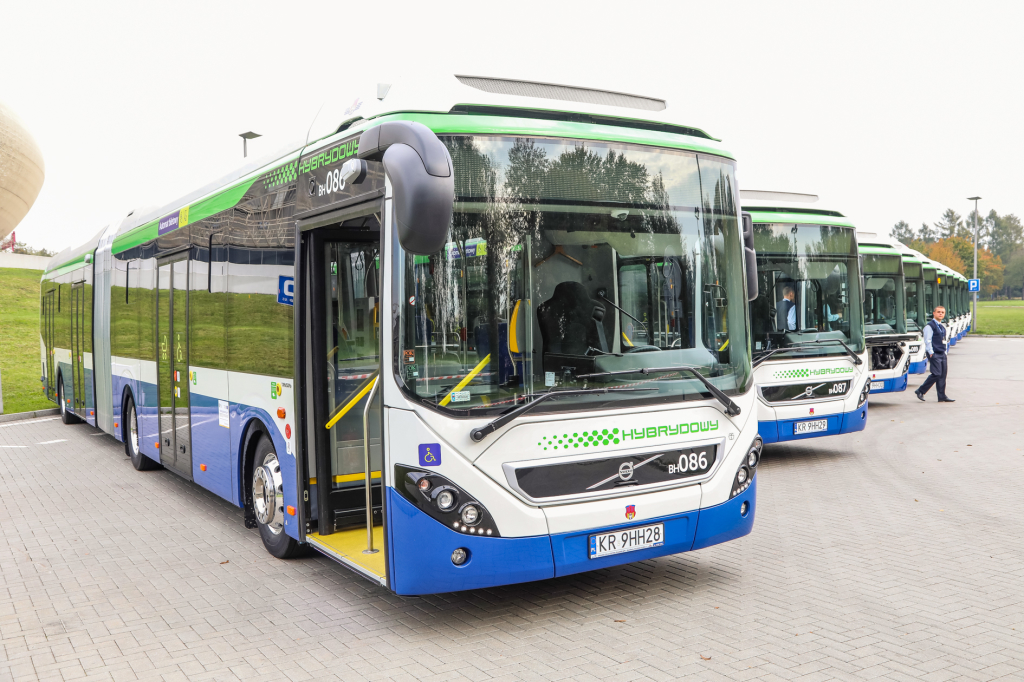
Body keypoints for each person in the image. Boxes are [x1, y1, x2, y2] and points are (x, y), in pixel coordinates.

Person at [915, 305, 954, 402]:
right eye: (939, 312)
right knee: (936, 374)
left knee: (942, 375)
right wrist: (931, 352)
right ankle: (920, 390)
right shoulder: (930, 326)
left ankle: (942, 396)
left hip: (942, 353)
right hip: (935, 353)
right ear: (934, 313)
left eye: (942, 312)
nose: (941, 314)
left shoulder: (941, 326)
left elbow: (943, 340)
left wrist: (945, 352)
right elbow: (927, 340)